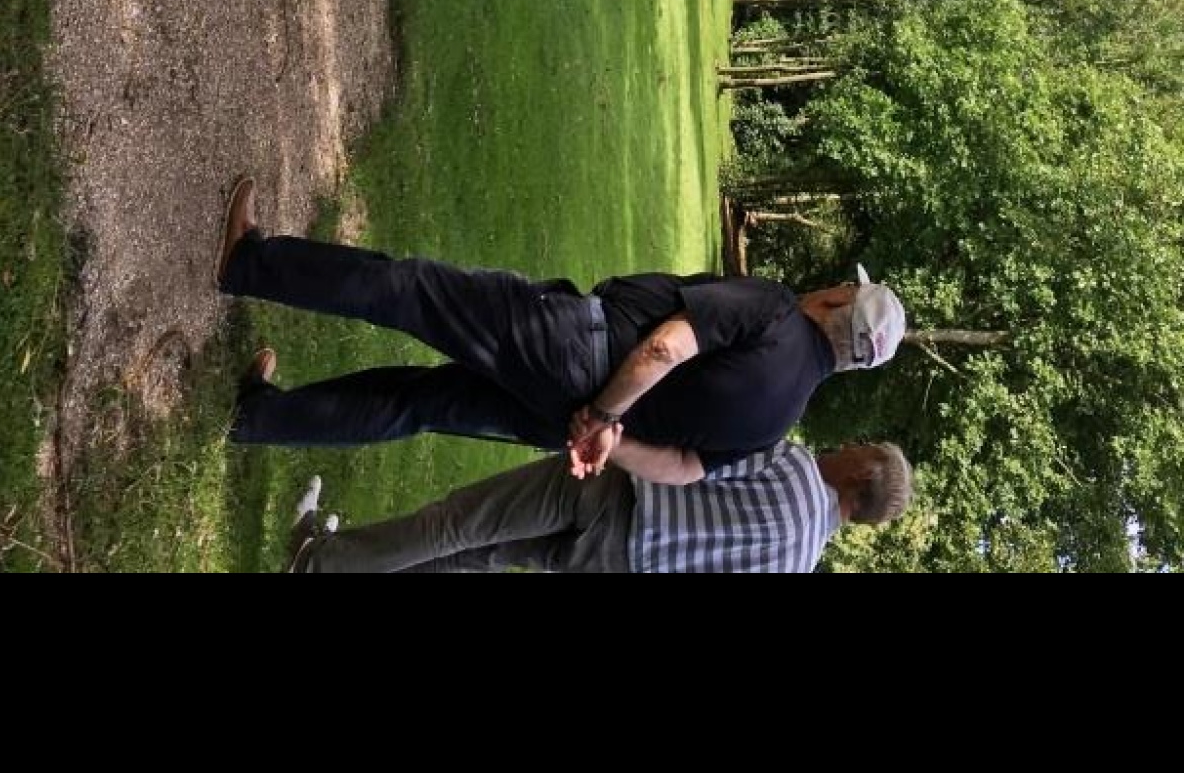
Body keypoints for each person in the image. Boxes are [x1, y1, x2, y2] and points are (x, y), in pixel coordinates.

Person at [216, 177, 906, 474]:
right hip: (567, 424)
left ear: (840, 302)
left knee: (415, 292)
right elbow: (682, 469)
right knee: (419, 404)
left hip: (574, 350)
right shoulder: (779, 423)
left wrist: (604, 411)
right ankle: (258, 418)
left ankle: (249, 263)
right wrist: (606, 436)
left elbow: (666, 347)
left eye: (848, 287)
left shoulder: (777, 309)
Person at [280, 434, 914, 574]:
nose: (846, 446)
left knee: (458, 524)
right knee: (476, 556)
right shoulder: (798, 567)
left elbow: (695, 457)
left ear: (861, 473)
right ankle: (343, 561)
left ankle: (314, 558)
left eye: (858, 448)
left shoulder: (794, 463)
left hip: (616, 496)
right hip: (613, 563)